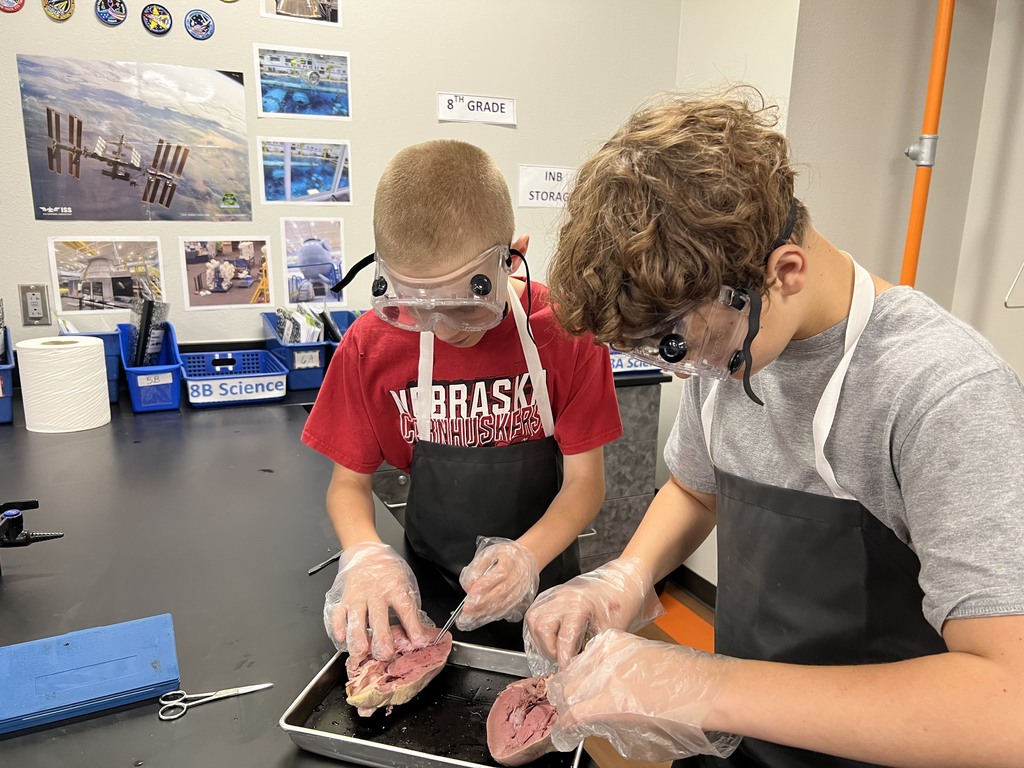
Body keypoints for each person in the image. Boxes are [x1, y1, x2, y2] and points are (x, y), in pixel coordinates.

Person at [523, 90, 1024, 767]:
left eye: (683, 347)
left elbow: (1005, 703)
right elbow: (696, 489)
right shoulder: (728, 348)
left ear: (784, 273)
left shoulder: (944, 391)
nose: (689, 374)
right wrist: (625, 577)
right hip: (745, 739)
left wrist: (707, 685)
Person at [302, 139, 623, 661]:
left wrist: (526, 558)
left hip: (545, 593)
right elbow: (348, 484)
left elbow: (586, 484)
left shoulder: (566, 332)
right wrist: (364, 554)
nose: (443, 329)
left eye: (464, 307)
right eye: (415, 306)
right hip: (426, 598)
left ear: (512, 256)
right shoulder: (370, 346)